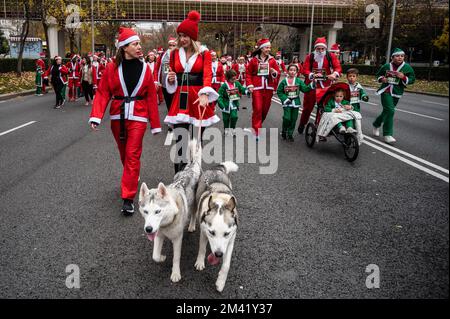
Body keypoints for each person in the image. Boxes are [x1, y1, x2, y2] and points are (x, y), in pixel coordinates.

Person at [89, 26, 161, 215]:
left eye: (138, 44)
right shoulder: (112, 67)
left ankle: (128, 198)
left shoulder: (146, 68)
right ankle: (132, 175)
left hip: (138, 116)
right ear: (124, 47)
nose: (139, 47)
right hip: (117, 117)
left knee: (132, 154)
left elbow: (151, 97)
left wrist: (155, 124)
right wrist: (96, 116)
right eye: (135, 44)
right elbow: (103, 92)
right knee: (124, 153)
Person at [164, 10, 220, 173]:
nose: (182, 39)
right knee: (180, 138)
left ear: (193, 36)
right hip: (180, 98)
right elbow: (172, 73)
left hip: (198, 98)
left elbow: (208, 74)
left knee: (196, 140)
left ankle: (194, 172)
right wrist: (171, 78)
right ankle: (179, 174)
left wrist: (205, 93)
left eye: (185, 36)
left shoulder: (204, 54)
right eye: (180, 35)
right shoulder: (174, 54)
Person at [298, 37, 342, 134]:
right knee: (307, 108)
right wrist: (312, 75)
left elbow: (338, 67)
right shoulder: (310, 57)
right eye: (318, 49)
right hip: (312, 86)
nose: (320, 51)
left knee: (323, 107)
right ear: (315, 49)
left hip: (325, 86)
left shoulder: (330, 56)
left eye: (322, 49)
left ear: (325, 49)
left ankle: (319, 126)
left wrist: (334, 74)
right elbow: (304, 70)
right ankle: (302, 123)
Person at [372, 48, 415, 144]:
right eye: (397, 56)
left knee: (387, 112)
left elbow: (412, 79)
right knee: (390, 111)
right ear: (392, 57)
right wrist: (381, 79)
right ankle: (388, 134)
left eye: (402, 56)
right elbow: (378, 75)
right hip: (386, 91)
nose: (400, 57)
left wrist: (403, 77)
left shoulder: (407, 67)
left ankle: (376, 124)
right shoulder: (387, 66)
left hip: (397, 92)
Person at [245, 38, 281, 139]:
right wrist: (250, 85)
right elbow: (248, 73)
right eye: (266, 47)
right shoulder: (254, 60)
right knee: (258, 108)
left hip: (268, 87)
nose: (268, 49)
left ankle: (256, 126)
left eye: (269, 47)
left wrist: (274, 72)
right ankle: (256, 131)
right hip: (257, 87)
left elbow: (277, 74)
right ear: (261, 48)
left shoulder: (272, 60)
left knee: (265, 110)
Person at [276, 64, 315, 141]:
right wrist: (285, 99)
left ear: (297, 72)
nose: (292, 72)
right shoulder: (284, 81)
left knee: (293, 119)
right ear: (288, 71)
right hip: (287, 102)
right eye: (291, 70)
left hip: (295, 102)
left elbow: (305, 89)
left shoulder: (298, 81)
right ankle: (284, 130)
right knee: (287, 118)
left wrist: (312, 84)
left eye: (294, 70)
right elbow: (279, 91)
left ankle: (290, 134)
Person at [217, 69, 247, 136]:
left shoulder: (237, 83)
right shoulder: (224, 85)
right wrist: (221, 104)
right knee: (225, 119)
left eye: (235, 79)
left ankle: (233, 129)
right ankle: (226, 130)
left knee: (234, 117)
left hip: (234, 104)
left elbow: (241, 89)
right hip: (226, 105)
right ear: (228, 78)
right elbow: (219, 96)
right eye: (232, 79)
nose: (234, 80)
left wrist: (247, 91)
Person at [155, 36, 177, 117]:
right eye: (170, 45)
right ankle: (171, 121)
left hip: (176, 85)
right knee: (169, 104)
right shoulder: (163, 55)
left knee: (175, 105)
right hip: (165, 85)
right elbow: (158, 68)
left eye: (173, 45)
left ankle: (175, 121)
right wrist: (157, 81)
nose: (171, 47)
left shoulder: (180, 54)